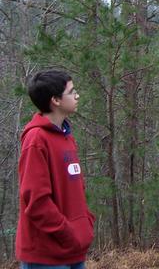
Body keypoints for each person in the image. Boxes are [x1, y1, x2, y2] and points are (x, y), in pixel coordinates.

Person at [16, 70, 95, 269]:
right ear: (55, 100)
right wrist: (68, 233)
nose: (77, 96)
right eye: (71, 91)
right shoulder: (36, 140)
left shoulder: (66, 136)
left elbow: (76, 191)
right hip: (46, 256)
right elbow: (37, 201)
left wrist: (85, 224)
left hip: (73, 250)